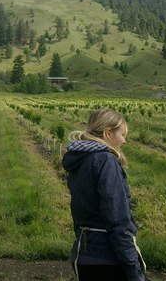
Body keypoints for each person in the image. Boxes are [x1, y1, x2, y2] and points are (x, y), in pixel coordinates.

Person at [62, 108, 146, 281]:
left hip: (84, 255)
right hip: (107, 259)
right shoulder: (105, 161)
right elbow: (118, 221)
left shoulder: (80, 160)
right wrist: (134, 271)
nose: (124, 141)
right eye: (123, 134)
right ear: (108, 133)